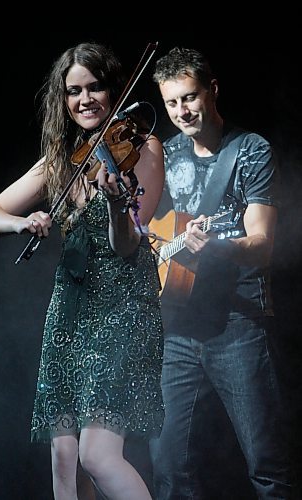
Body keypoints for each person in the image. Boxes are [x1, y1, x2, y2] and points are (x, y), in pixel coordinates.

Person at [0, 42, 165, 500]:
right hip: (71, 308)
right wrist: (24, 221)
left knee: (97, 455)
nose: (85, 100)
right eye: (74, 91)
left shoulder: (143, 148)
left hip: (122, 307)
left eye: (96, 87)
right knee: (63, 459)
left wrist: (119, 206)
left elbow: (127, 247)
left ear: (114, 90)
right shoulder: (63, 159)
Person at [150, 46, 294, 499]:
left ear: (212, 90)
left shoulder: (250, 151)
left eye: (189, 97)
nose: (181, 111)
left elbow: (261, 247)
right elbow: (148, 233)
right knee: (169, 466)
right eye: (171, 102)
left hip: (239, 323)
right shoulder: (166, 154)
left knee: (267, 464)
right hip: (179, 325)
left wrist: (217, 247)